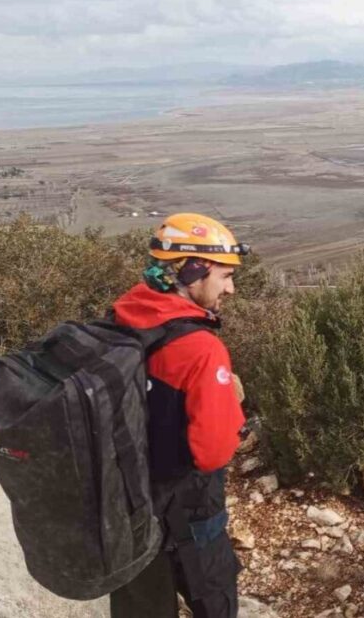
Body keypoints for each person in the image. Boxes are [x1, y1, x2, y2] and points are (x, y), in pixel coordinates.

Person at [108, 212, 249, 618]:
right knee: (215, 599)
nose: (232, 288)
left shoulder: (125, 315)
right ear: (194, 270)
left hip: (125, 502)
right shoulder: (201, 350)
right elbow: (212, 453)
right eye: (225, 276)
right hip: (185, 512)